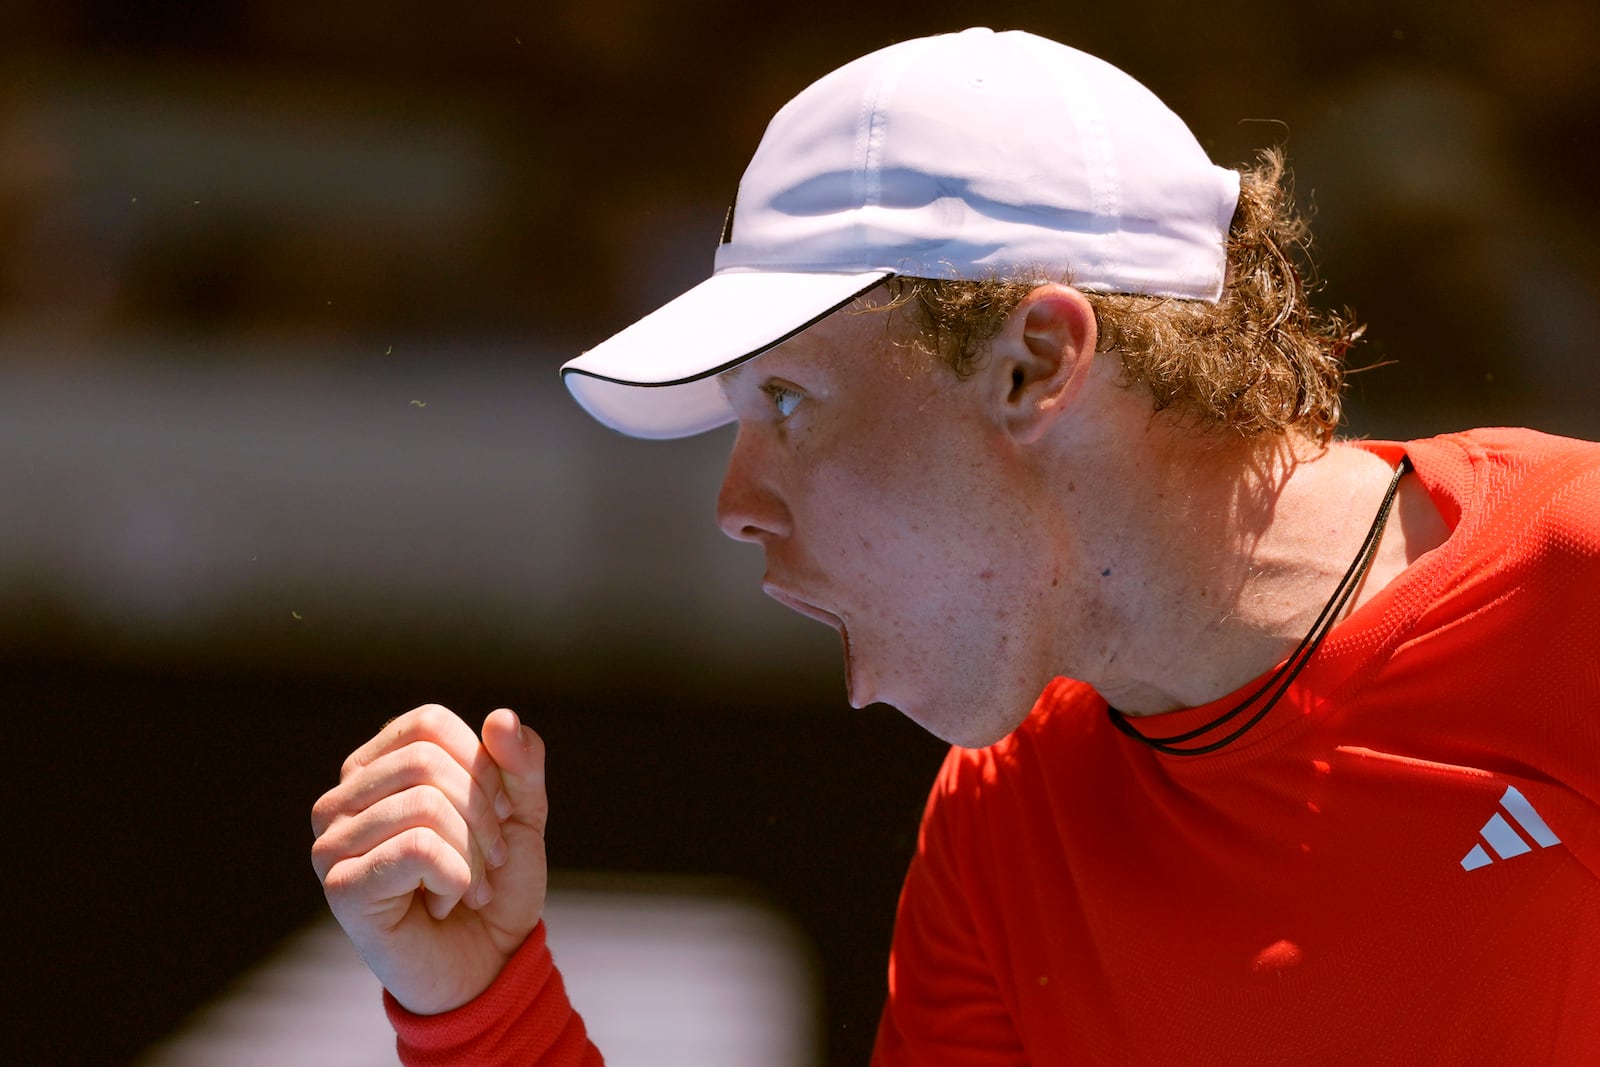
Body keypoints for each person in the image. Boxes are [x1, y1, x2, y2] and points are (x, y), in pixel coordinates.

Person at [310, 28, 1600, 1064]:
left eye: (790, 403)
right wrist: (482, 1008)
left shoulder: (1580, 583)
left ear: (1035, 365)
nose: (735, 501)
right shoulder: (997, 825)